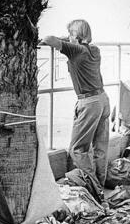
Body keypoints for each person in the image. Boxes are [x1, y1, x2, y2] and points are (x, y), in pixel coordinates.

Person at [43, 20, 109, 186]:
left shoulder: (75, 50)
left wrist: (66, 40)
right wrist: (71, 38)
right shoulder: (95, 50)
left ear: (76, 35)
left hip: (89, 103)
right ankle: (100, 186)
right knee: (100, 149)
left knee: (77, 149)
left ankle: (94, 188)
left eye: (70, 33)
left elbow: (48, 38)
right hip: (103, 99)